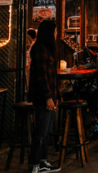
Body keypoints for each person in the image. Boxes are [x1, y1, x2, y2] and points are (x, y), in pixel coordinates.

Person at [28, 20, 61, 173]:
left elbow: (51, 76)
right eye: (55, 32)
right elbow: (42, 77)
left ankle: (42, 161)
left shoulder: (45, 49)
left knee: (46, 131)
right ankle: (35, 165)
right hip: (42, 98)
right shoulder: (40, 49)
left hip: (48, 97)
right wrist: (49, 97)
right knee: (40, 132)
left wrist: (56, 97)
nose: (56, 35)